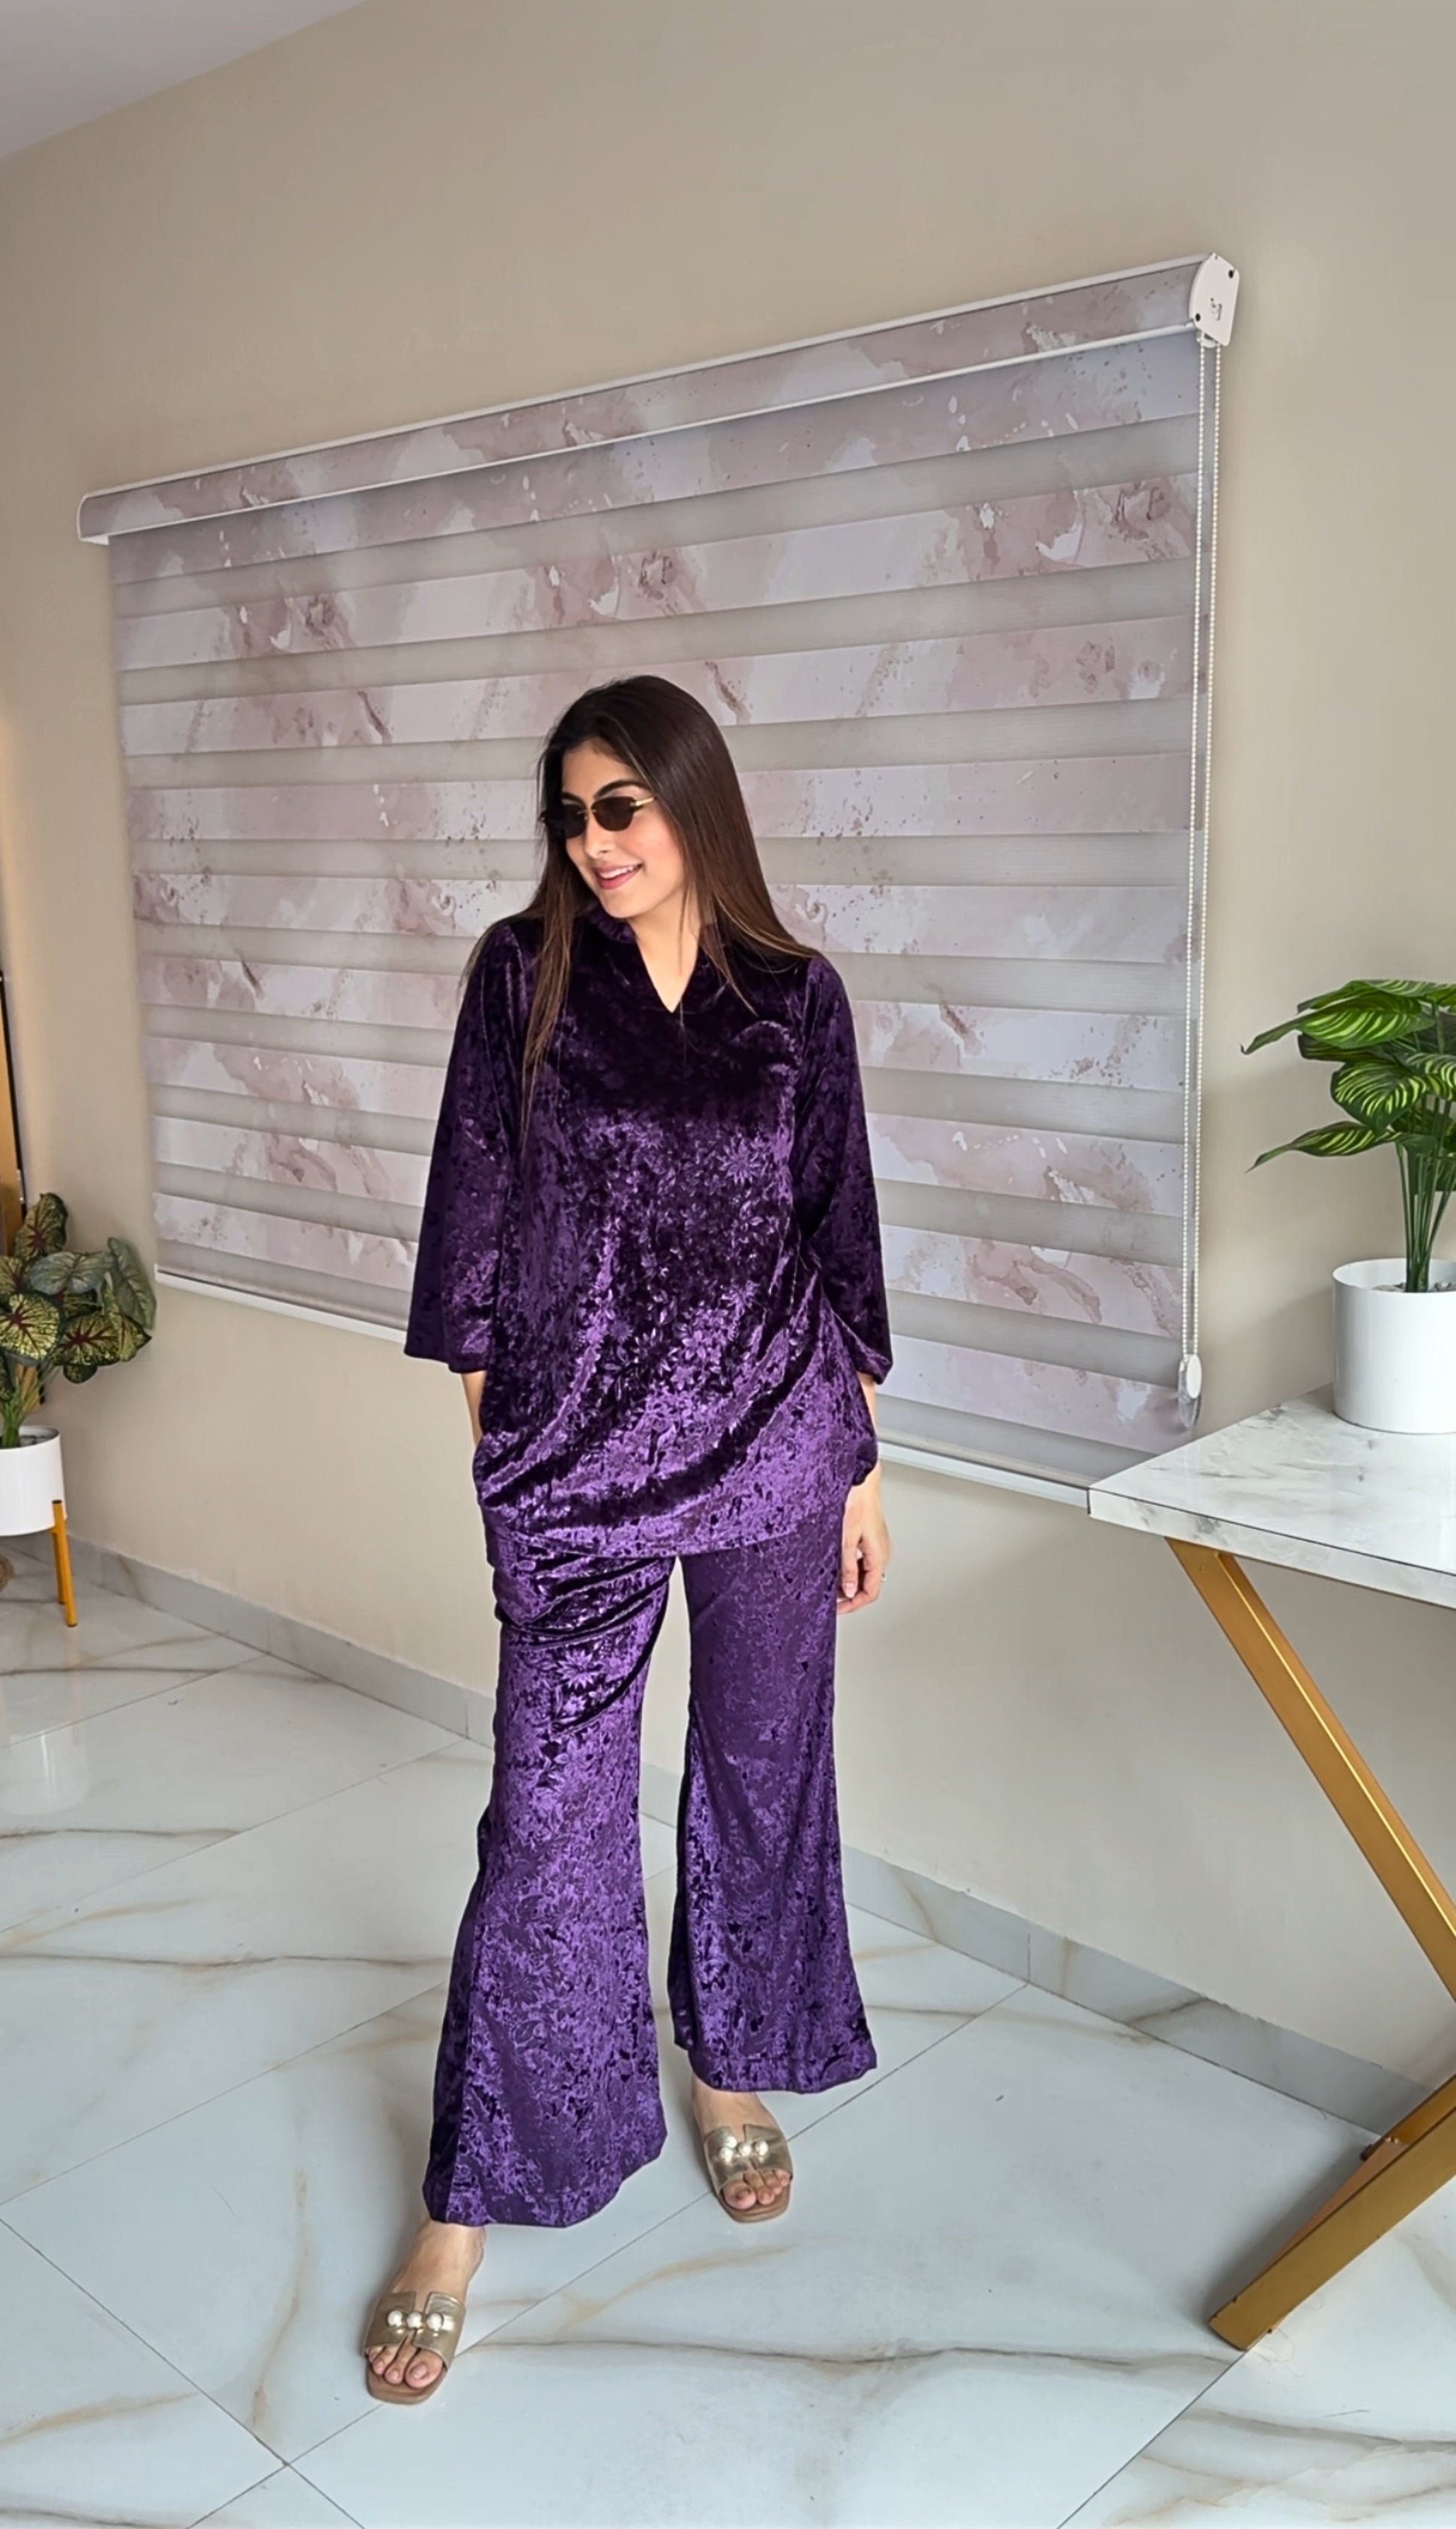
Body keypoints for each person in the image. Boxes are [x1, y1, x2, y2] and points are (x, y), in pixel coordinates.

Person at [363, 674, 894, 2402]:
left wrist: (857, 1464)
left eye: (620, 806)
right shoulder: (520, 979)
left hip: (776, 1447)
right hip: (578, 1463)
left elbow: (834, 1236)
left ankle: (724, 2063)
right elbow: (471, 1223)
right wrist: (500, 1434)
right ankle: (469, 2196)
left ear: (689, 800)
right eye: (570, 813)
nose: (592, 842)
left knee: (759, 1770)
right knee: (545, 1823)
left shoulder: (794, 998)